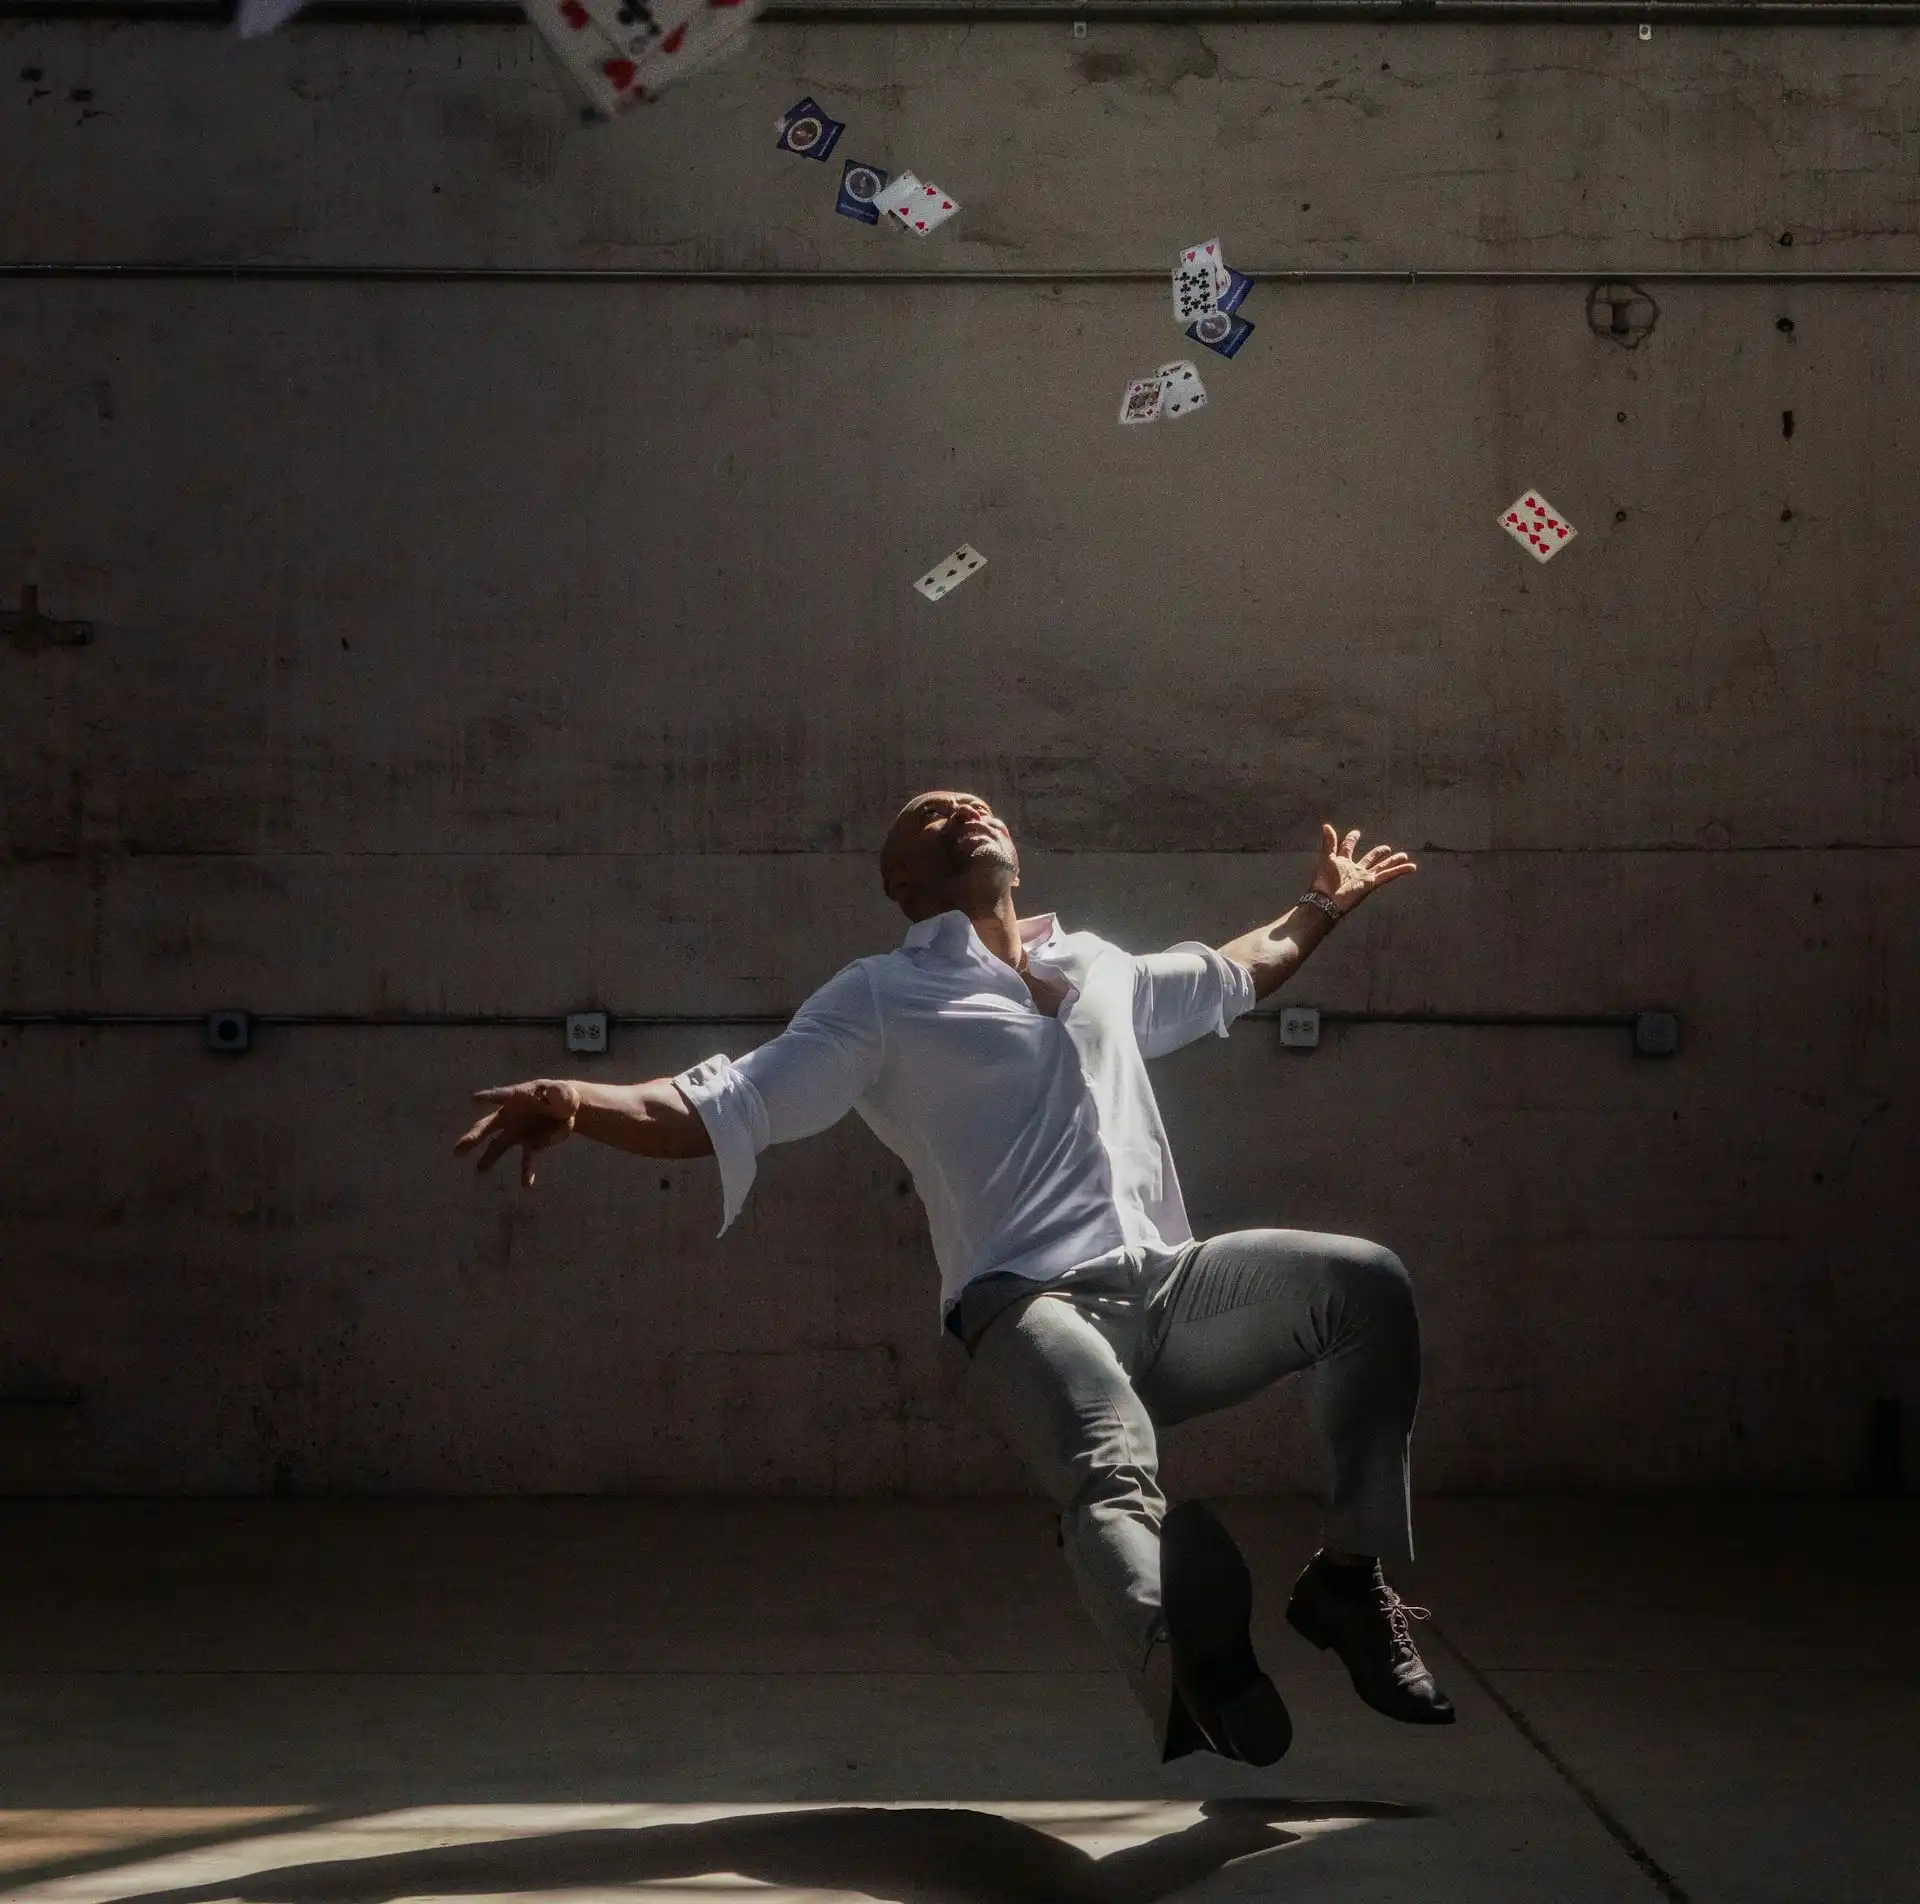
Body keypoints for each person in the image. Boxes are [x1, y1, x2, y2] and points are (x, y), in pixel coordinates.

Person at [455, 792, 1454, 1764]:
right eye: (933, 816)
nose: (964, 809)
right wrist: (581, 1099)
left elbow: (1236, 970)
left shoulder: (1095, 961)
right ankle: (1181, 1667)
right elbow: (734, 1096)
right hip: (1030, 1306)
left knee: (1364, 1284)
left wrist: (1322, 903)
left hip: (1174, 1289)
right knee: (1108, 1471)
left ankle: (1348, 1579)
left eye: (976, 804)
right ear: (902, 879)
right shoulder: (881, 996)